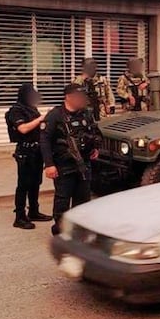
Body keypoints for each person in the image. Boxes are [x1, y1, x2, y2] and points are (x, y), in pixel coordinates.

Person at [41, 84, 102, 236]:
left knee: (83, 199)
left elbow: (95, 132)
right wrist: (49, 165)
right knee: (63, 199)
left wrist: (95, 148)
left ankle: (78, 230)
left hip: (84, 163)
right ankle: (60, 231)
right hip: (64, 165)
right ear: (68, 97)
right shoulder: (55, 115)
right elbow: (44, 140)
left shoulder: (86, 114)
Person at [6, 83, 52, 230]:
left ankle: (33, 211)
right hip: (25, 152)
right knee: (23, 185)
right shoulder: (16, 111)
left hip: (37, 151)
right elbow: (23, 129)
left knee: (35, 183)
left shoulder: (32, 109)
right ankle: (19, 217)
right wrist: (41, 118)